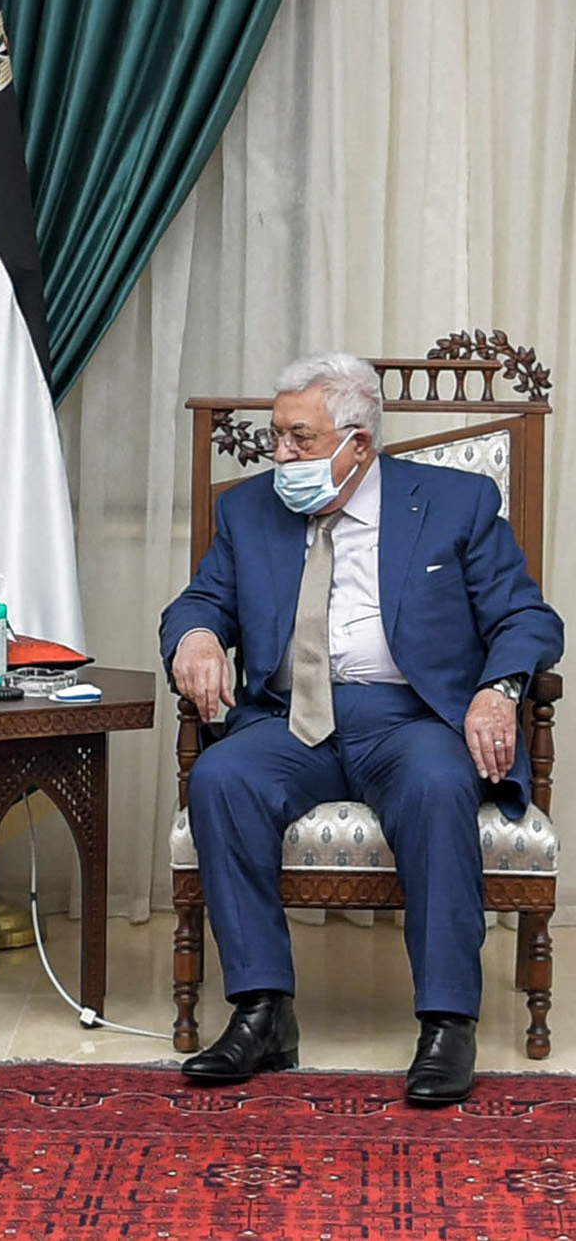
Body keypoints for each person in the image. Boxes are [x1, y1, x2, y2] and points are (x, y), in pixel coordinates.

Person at [161, 350, 563, 1104]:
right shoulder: (250, 511)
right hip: (290, 723)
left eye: (300, 439)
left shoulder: (457, 503)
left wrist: (498, 691)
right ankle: (262, 1009)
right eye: (277, 435)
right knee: (220, 777)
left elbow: (526, 617)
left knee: (441, 784)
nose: (281, 454)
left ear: (359, 444)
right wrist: (195, 637)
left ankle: (448, 1020)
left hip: (407, 720)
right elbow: (197, 603)